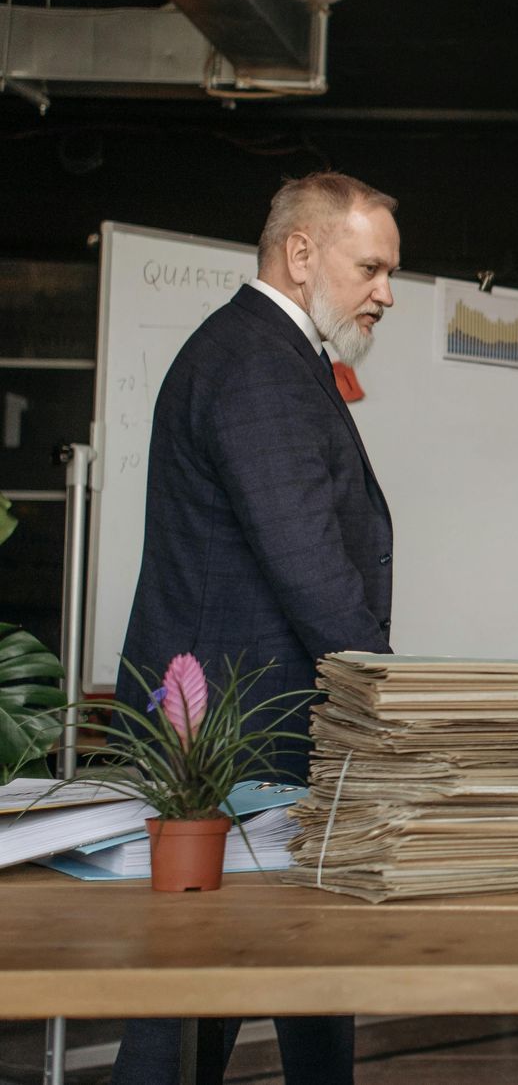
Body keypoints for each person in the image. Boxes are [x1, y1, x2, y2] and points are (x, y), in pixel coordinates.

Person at [111, 172, 401, 1085]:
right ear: (301, 252)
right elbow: (308, 563)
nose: (386, 293)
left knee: (298, 962)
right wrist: (391, 701)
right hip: (236, 735)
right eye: (373, 268)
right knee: (199, 986)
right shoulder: (256, 363)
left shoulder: (274, 355)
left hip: (263, 727)